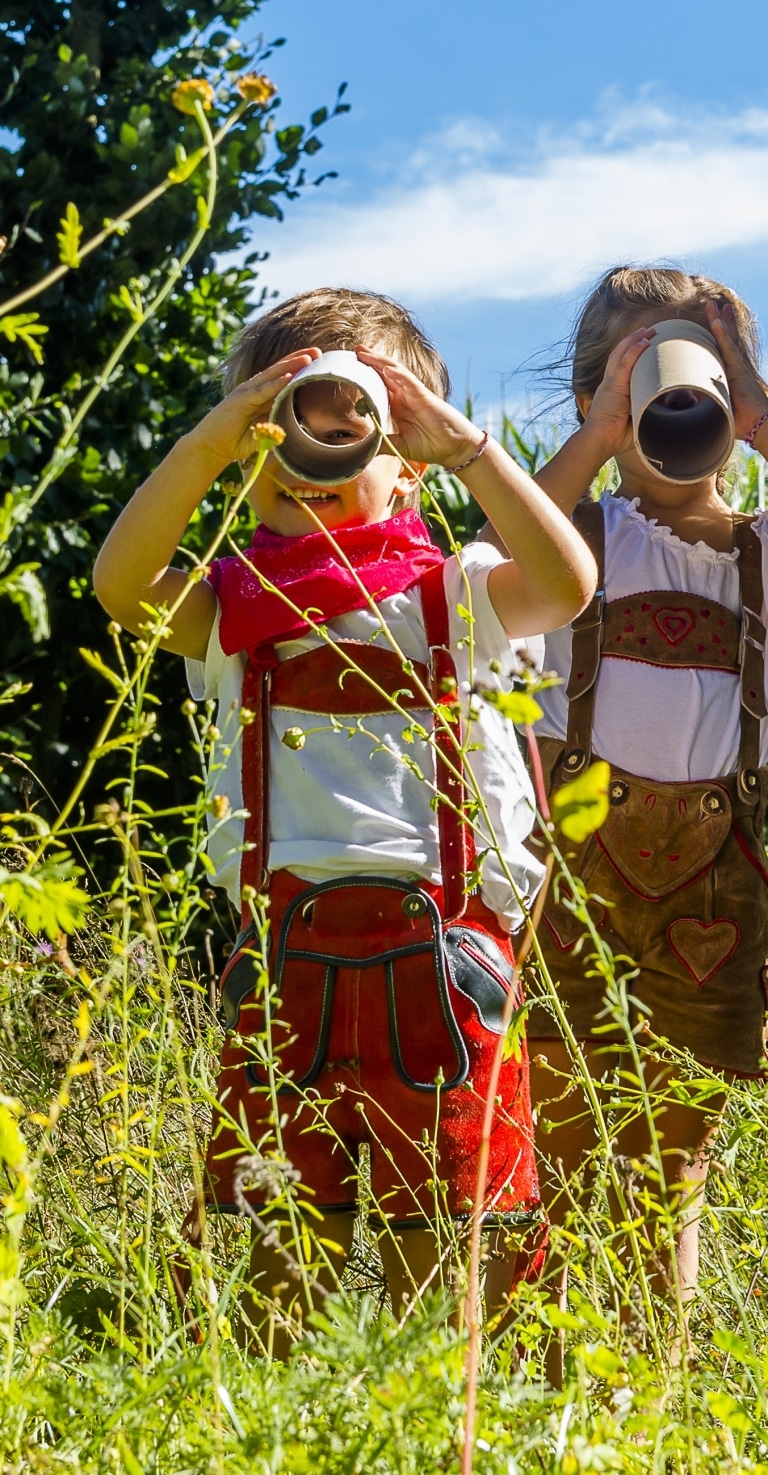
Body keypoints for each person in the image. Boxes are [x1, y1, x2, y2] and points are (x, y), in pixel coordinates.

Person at [93, 287, 596, 1352]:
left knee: (444, 1244)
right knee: (285, 1250)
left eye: (347, 428)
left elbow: (568, 581)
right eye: (278, 438)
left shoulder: (459, 594)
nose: (308, 459)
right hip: (285, 960)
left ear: (406, 458)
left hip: (445, 964)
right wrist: (206, 444)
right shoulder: (230, 609)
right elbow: (120, 581)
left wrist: (466, 447)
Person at [526, 266, 768, 1339]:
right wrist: (600, 431)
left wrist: (754, 408)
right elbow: (516, 538)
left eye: (693, 372)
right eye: (641, 374)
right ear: (595, 398)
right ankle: (544, 1396)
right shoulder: (579, 541)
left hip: (718, 895)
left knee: (671, 1161)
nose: (677, 403)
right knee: (554, 1139)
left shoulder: (758, 557)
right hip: (570, 878)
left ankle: (645, 1401)